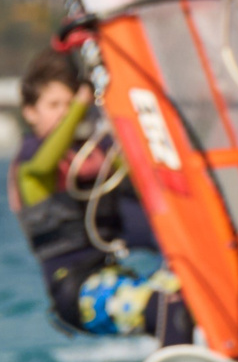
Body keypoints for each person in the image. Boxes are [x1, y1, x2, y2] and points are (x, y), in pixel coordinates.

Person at [10, 51, 192, 342]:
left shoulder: (92, 158)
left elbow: (139, 176)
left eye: (69, 104)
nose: (65, 112)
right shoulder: (31, 171)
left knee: (195, 290)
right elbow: (44, 163)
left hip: (116, 277)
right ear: (30, 112)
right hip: (78, 294)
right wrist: (81, 104)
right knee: (165, 305)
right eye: (54, 105)